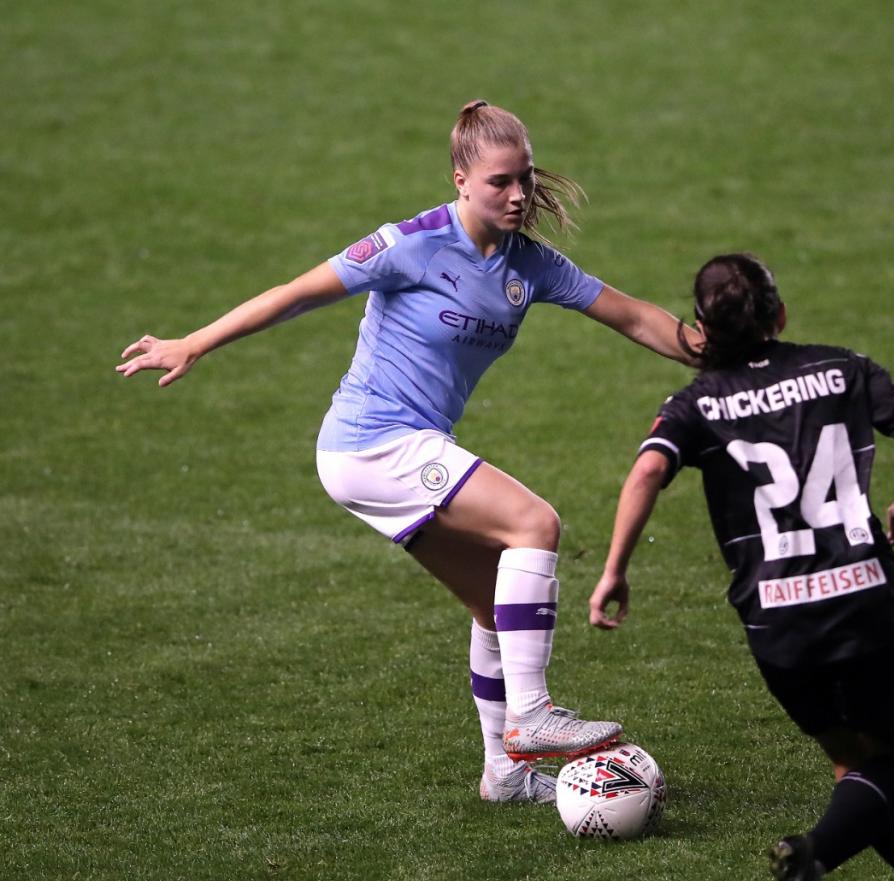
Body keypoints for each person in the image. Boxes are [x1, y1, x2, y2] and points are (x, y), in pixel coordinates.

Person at [117, 99, 699, 805]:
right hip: (371, 441)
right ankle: (533, 713)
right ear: (460, 180)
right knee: (535, 524)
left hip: (399, 448)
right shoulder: (410, 245)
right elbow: (295, 294)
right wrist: (194, 342)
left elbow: (633, 316)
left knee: (495, 604)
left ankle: (505, 775)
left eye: (524, 177)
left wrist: (720, 351)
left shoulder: (530, 264)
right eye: (500, 182)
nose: (518, 195)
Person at [588, 253, 894, 881]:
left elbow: (647, 469)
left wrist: (614, 570)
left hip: (780, 627)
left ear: (701, 331)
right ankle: (811, 854)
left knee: (854, 767)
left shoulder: (696, 403)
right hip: (866, 604)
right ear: (781, 314)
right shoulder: (843, 368)